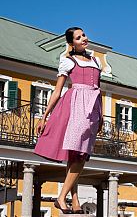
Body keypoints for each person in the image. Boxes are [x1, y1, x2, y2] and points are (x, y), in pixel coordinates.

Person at [34, 27, 103, 214]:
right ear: (72, 43)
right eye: (79, 37)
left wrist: (101, 115)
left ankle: (75, 201)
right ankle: (61, 197)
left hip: (92, 109)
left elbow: (98, 90)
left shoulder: (96, 60)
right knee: (80, 155)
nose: (84, 39)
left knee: (76, 156)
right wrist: (44, 116)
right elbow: (57, 91)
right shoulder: (68, 61)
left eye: (84, 35)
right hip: (75, 107)